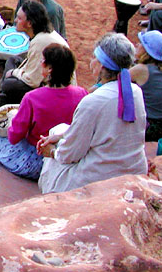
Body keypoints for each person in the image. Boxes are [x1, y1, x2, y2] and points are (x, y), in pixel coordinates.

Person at [37, 33, 147, 194]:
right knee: (59, 131)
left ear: (102, 65)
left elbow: (70, 154)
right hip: (134, 169)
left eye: (94, 57)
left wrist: (52, 151)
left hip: (100, 180)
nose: (91, 61)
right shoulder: (135, 92)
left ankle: (48, 197)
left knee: (56, 147)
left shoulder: (93, 102)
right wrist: (61, 136)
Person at [0, 44, 87, 180]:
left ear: (50, 69)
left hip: (36, 161)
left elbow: (14, 136)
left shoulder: (32, 98)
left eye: (43, 61)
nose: (40, 63)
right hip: (66, 154)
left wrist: (13, 119)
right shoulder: (82, 94)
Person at [0, 0, 72, 107]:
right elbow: (29, 65)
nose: (15, 20)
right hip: (46, 79)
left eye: (19, 18)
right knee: (12, 60)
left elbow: (32, 81)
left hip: (54, 89)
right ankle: (6, 95)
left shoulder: (40, 41)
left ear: (29, 23)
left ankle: (10, 97)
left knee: (9, 84)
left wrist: (14, 72)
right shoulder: (42, 34)